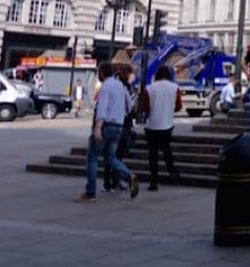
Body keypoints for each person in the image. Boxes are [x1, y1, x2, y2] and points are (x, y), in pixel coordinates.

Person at [76, 63, 140, 201]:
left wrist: (98, 128)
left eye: (99, 73)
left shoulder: (105, 86)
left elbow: (102, 109)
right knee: (110, 158)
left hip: (106, 125)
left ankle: (90, 192)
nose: (98, 75)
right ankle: (129, 176)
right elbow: (129, 108)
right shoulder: (121, 87)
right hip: (118, 126)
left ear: (103, 73)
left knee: (92, 158)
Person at [140, 65, 181, 190]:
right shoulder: (175, 88)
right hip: (167, 124)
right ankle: (172, 173)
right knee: (166, 150)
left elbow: (144, 107)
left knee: (153, 154)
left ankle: (153, 181)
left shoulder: (150, 88)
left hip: (152, 125)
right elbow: (178, 106)